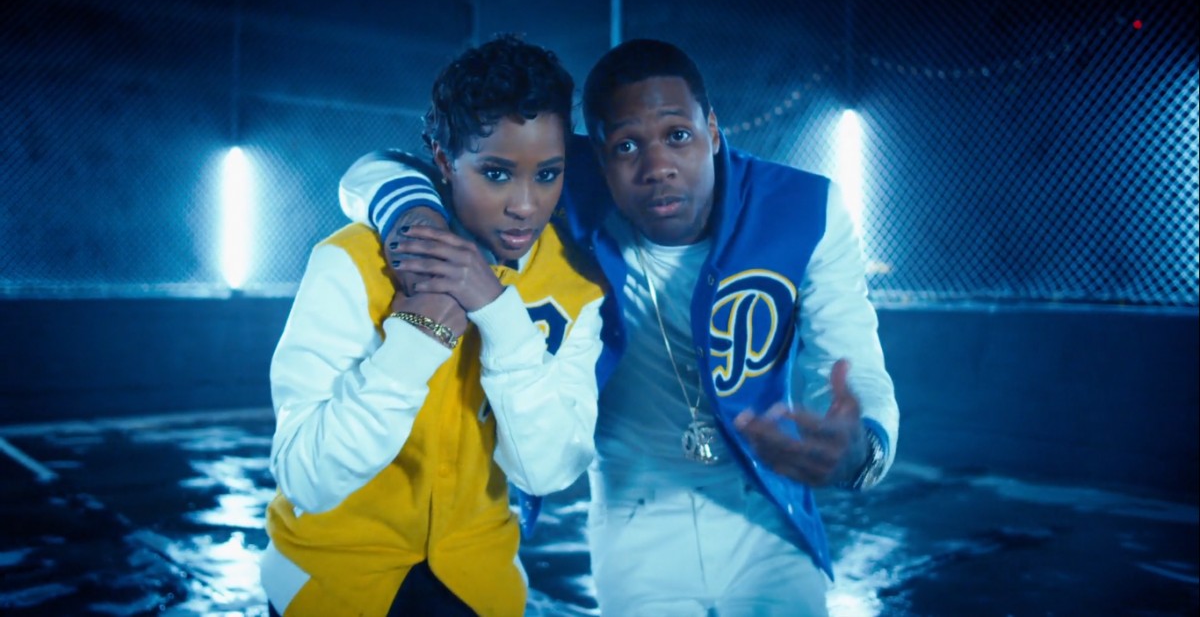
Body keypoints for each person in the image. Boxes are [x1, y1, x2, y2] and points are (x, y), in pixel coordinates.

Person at [339, 39, 900, 616]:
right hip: (633, 512)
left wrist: (862, 450)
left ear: (712, 129)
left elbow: (854, 363)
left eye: (678, 135)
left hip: (764, 507)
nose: (657, 167)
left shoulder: (804, 209)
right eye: (627, 145)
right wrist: (415, 217)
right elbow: (373, 168)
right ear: (597, 158)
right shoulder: (560, 184)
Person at [261, 35, 607, 616]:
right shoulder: (352, 261)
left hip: (478, 587)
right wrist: (416, 339)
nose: (525, 204)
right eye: (496, 174)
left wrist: (501, 317)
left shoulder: (577, 285)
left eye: (548, 174)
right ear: (444, 163)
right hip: (331, 584)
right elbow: (307, 479)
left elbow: (546, 472)